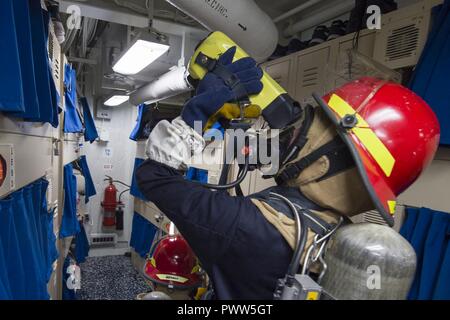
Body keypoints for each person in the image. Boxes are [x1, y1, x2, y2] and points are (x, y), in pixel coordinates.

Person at [136, 48, 440, 300]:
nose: (294, 134)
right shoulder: (337, 235)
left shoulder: (244, 228)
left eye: (310, 126)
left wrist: (197, 113)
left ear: (328, 162)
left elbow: (154, 176)